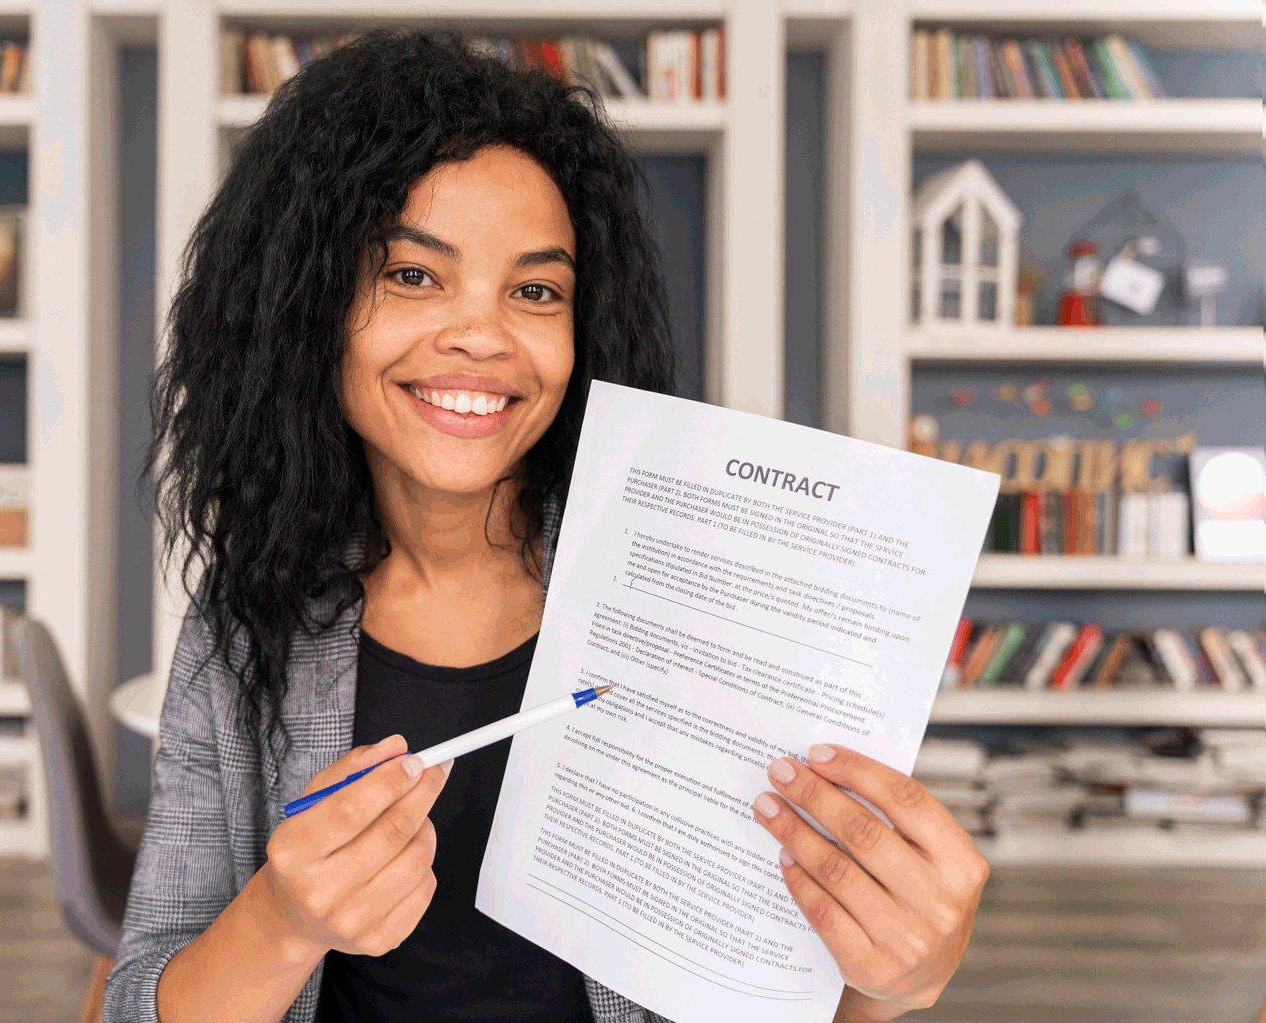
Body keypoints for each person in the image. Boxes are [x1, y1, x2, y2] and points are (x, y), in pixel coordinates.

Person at [106, 30, 989, 1023]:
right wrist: (279, 923)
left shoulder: (699, 602)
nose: (483, 335)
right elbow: (134, 999)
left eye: (536, 290)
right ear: (306, 304)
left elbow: (782, 995)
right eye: (411, 274)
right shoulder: (247, 623)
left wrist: (892, 985)